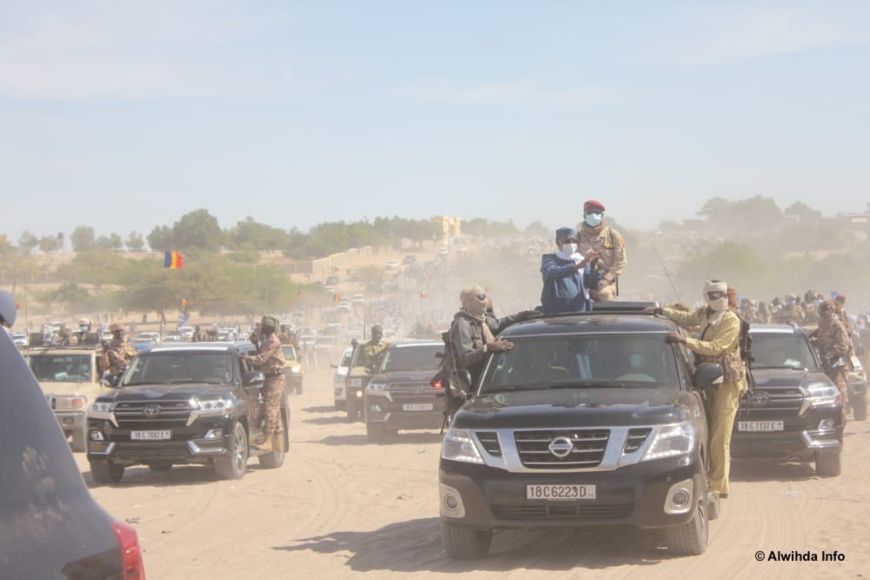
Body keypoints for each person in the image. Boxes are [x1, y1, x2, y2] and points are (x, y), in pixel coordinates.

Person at [647, 280, 747, 499]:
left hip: (727, 383)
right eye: (713, 295)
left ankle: (718, 486)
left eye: (721, 295)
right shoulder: (705, 314)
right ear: (706, 296)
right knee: (709, 432)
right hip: (707, 379)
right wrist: (661, 310)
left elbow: (716, 347)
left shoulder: (730, 320)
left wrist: (685, 341)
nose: (718, 299)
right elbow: (687, 318)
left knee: (721, 437)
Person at [448, 286, 515, 391]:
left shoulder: (482, 320)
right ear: (470, 301)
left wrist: (524, 315)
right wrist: (487, 348)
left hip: (493, 380)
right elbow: (465, 359)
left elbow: (501, 323)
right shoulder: (462, 325)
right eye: (480, 297)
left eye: (485, 296)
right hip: (474, 386)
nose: (484, 301)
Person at [240, 316, 285, 452]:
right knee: (274, 411)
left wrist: (248, 358)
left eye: (262, 327)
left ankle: (268, 440)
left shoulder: (273, 341)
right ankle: (276, 440)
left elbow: (261, 359)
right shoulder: (266, 341)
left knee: (270, 409)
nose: (260, 329)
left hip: (275, 379)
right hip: (269, 378)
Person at [540, 227, 599, 314]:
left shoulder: (582, 260)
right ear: (558, 242)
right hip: (555, 312)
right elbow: (550, 271)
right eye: (566, 241)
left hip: (579, 309)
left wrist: (594, 267)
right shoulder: (550, 259)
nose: (571, 244)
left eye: (574, 241)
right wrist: (576, 267)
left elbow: (592, 285)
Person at [578, 200, 626, 302]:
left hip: (606, 283)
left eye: (596, 213)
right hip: (582, 283)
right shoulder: (576, 238)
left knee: (604, 295)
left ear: (602, 215)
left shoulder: (613, 236)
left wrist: (605, 280)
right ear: (584, 216)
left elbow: (620, 263)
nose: (593, 215)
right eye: (590, 213)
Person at [810, 300, 850, 423]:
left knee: (839, 395)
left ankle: (840, 423)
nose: (826, 313)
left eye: (829, 310)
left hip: (837, 367)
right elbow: (820, 342)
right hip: (823, 367)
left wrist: (830, 355)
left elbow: (843, 345)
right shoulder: (821, 326)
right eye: (824, 310)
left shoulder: (837, 326)